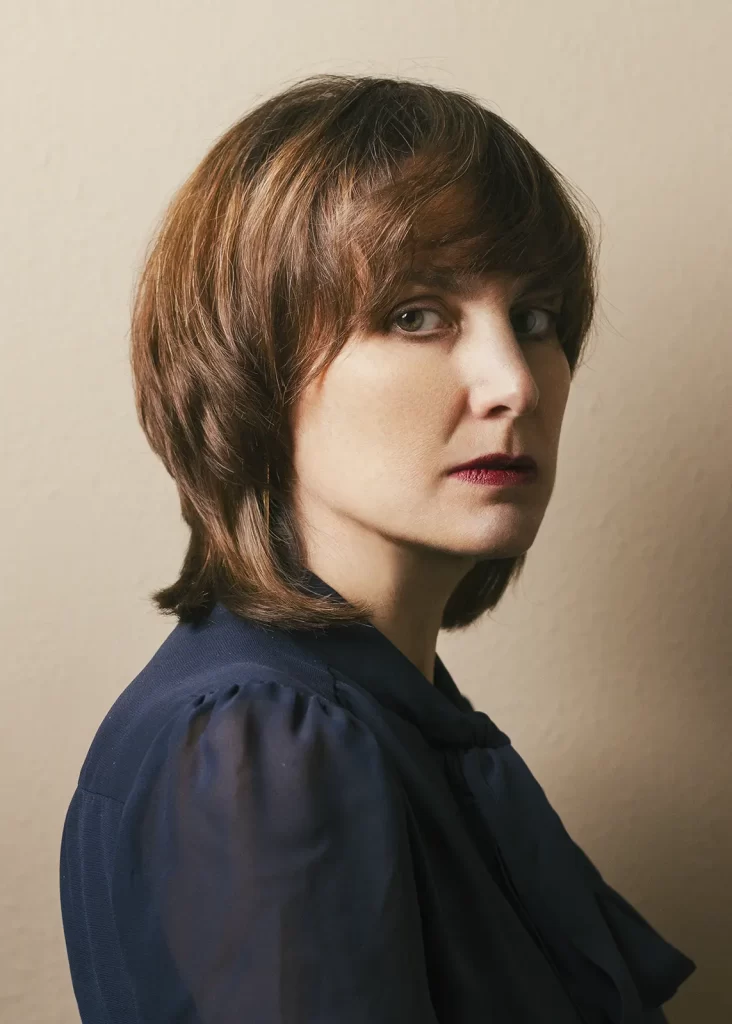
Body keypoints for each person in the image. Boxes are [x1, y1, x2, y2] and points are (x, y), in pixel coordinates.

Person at [59, 73, 696, 1023]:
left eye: (535, 318)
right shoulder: (267, 744)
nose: (514, 382)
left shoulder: (373, 708)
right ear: (254, 367)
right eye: (415, 315)